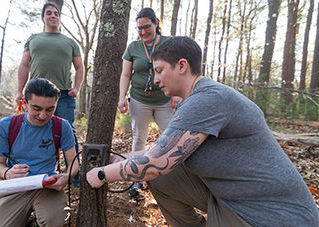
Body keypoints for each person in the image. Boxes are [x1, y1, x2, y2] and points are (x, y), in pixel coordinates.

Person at [87, 37, 319, 226]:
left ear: (181, 65)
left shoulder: (207, 100)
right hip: (233, 199)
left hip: (270, 216)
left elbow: (155, 163)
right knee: (165, 179)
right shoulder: (198, 98)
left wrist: (101, 174)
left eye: (159, 70)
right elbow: (164, 151)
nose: (155, 80)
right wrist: (115, 160)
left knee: (158, 171)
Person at [0, 78, 79, 227]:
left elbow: (74, 162)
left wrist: (67, 177)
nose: (43, 115)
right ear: (25, 102)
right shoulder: (7, 126)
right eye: (36, 108)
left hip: (48, 186)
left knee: (54, 221)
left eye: (50, 109)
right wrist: (7, 173)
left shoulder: (62, 126)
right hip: (16, 186)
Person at [118, 7, 180, 196]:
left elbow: (178, 68)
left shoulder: (170, 43)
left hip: (165, 100)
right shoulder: (133, 47)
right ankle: (137, 180)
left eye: (147, 26)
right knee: (139, 139)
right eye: (139, 28)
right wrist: (122, 96)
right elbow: (126, 73)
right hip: (139, 100)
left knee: (171, 138)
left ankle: (175, 180)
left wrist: (176, 94)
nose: (143, 31)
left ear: (156, 24)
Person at [16, 2, 84, 125]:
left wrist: (77, 88)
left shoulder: (70, 42)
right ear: (43, 18)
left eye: (56, 14)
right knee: (35, 132)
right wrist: (20, 91)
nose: (53, 16)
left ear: (59, 19)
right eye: (49, 13)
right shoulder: (33, 40)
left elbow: (79, 67)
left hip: (63, 95)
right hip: (36, 94)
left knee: (66, 132)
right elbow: (24, 65)